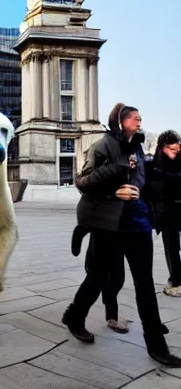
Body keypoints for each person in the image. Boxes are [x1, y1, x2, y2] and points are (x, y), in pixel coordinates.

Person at [62, 103, 181, 367]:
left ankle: (156, 345)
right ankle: (75, 315)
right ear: (121, 121)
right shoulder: (102, 146)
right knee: (97, 278)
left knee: (145, 284)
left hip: (137, 224)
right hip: (109, 225)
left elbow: (143, 180)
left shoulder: (137, 146)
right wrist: (113, 186)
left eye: (140, 119)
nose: (139, 123)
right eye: (135, 119)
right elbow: (82, 182)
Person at [147, 130, 181, 297]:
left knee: (173, 247)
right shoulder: (157, 163)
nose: (175, 151)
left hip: (174, 209)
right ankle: (176, 280)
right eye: (171, 149)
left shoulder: (161, 163)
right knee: (171, 247)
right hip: (167, 211)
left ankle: (177, 280)